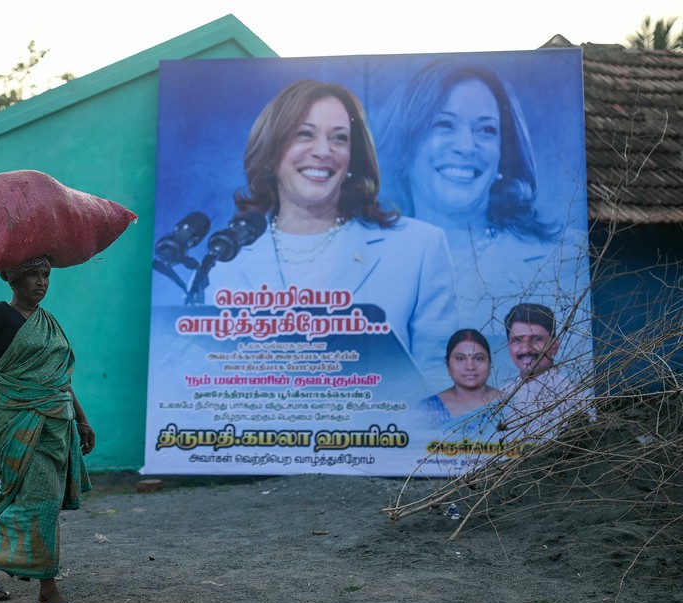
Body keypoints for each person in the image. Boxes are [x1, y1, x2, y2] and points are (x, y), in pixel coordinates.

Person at [205, 78, 458, 386]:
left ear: (353, 158)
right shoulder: (226, 257)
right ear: (272, 150)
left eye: (339, 139)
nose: (323, 151)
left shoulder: (420, 247)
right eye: (304, 134)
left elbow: (442, 384)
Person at [376, 60, 591, 383]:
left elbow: (572, 380)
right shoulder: (358, 256)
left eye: (486, 130)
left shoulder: (561, 258)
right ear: (407, 143)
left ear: (503, 155)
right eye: (443, 125)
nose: (466, 147)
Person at [0, 237, 96, 603]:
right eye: (32, 275)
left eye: (45, 275)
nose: (41, 282)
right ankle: (48, 591)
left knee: (20, 501)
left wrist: (81, 417)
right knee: (40, 502)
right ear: (13, 281)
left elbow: (57, 379)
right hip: (20, 424)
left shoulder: (48, 323)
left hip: (57, 423)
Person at [497, 302, 593, 440]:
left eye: (536, 339)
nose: (525, 349)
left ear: (554, 346)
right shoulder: (502, 396)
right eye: (517, 340)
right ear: (508, 346)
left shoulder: (574, 397)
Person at [421, 329, 501, 440]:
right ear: (447, 364)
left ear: (490, 362)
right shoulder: (428, 408)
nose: (470, 367)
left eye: (478, 358)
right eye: (460, 358)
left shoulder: (508, 403)